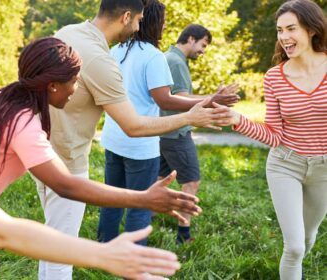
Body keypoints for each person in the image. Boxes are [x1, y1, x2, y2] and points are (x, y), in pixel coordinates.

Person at [0, 17, 185, 280]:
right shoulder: (19, 123)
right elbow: (63, 188)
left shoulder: (1, 98)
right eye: (73, 81)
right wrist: (141, 202)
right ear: (52, 85)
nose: (76, 89)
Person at [35, 0, 233, 278]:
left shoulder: (69, 32)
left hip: (44, 151)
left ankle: (108, 249)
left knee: (52, 241)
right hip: (69, 161)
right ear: (126, 16)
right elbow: (136, 124)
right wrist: (192, 116)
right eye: (138, 19)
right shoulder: (103, 59)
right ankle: (134, 263)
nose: (141, 25)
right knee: (62, 251)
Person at [98, 1, 239, 246]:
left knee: (113, 197)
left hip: (114, 136)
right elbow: (165, 100)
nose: (164, 27)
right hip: (140, 146)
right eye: (162, 22)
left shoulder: (116, 50)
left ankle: (103, 248)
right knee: (141, 205)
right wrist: (210, 100)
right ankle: (133, 258)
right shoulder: (153, 56)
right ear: (150, 22)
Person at [222, 0, 326, 279]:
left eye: (291, 28)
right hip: (285, 164)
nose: (284, 37)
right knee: (293, 248)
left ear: (312, 29)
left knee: (306, 239)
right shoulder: (275, 77)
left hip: (324, 170)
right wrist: (236, 119)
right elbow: (273, 134)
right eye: (280, 30)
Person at [159, 24, 239, 244]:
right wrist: (215, 98)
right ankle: (183, 235)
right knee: (192, 180)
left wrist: (214, 98)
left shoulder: (169, 57)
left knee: (159, 179)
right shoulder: (176, 61)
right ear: (191, 38)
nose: (203, 51)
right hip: (176, 133)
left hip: (164, 130)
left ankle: (146, 220)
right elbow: (183, 100)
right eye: (203, 45)